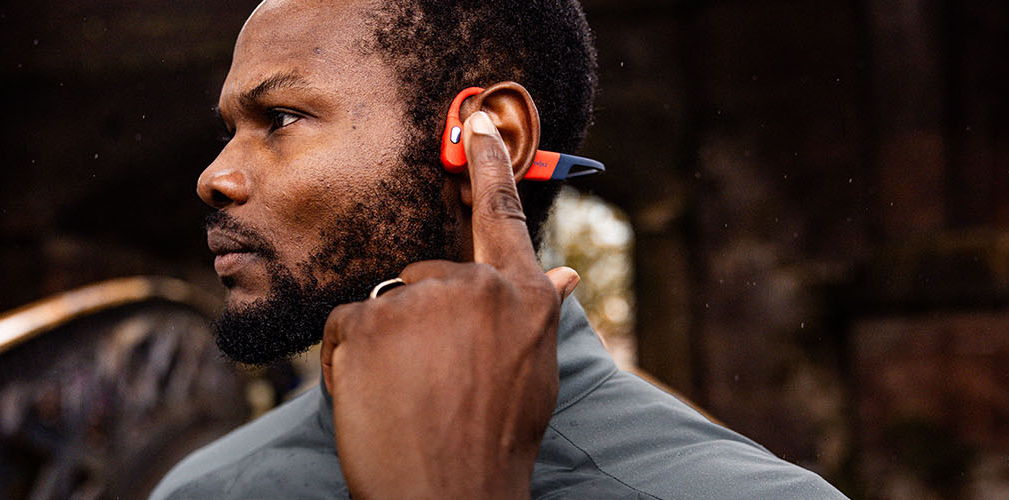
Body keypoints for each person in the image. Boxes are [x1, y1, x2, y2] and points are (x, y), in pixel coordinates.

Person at [156, 0, 844, 497]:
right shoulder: (201, 489)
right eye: (228, 131)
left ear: (491, 138)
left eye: (280, 118)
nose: (214, 176)